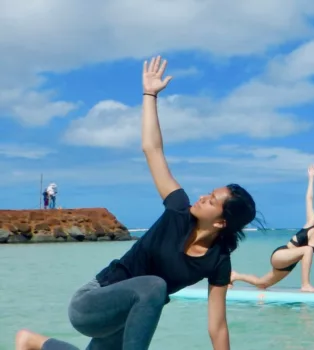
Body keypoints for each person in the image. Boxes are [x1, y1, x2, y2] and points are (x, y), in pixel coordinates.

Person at [14, 55, 258, 350]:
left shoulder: (218, 260)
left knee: (151, 291)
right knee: (155, 285)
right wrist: (149, 95)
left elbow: (218, 326)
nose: (203, 197)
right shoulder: (179, 209)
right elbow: (152, 149)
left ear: (221, 222)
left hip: (130, 316)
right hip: (93, 301)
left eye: (212, 200)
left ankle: (30, 342)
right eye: (208, 193)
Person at [230, 164, 314, 292]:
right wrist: (311, 178)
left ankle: (235, 275)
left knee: (261, 284)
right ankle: (305, 285)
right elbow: (309, 199)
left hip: (289, 264)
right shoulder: (311, 222)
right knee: (307, 250)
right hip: (280, 255)